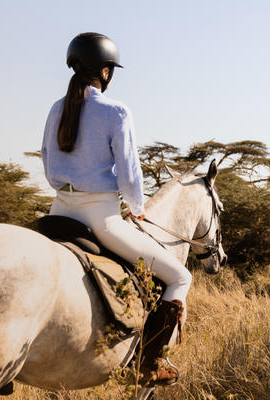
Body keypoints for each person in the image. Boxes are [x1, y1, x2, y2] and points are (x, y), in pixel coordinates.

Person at [41, 32, 190, 386]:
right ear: (106, 72)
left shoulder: (55, 108)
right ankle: (150, 362)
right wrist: (137, 207)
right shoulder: (116, 110)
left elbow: (48, 162)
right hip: (101, 216)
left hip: (57, 212)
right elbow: (129, 170)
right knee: (181, 277)